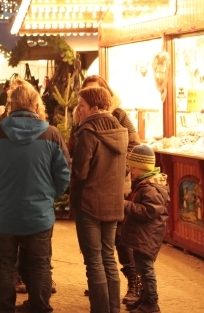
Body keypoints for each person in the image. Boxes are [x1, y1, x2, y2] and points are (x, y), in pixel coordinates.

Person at [0, 84, 70, 313]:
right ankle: (39, 306)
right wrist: (50, 196)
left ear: (10, 106)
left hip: (6, 211)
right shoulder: (51, 134)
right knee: (40, 264)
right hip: (39, 213)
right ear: (36, 105)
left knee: (5, 262)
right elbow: (64, 173)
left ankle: (4, 307)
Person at [81, 75, 142, 305]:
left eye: (95, 90)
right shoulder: (84, 116)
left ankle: (133, 281)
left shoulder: (119, 115)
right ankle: (103, 289)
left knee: (119, 239)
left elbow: (135, 143)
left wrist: (122, 168)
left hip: (116, 185)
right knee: (98, 246)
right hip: (95, 187)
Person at [71, 86, 128, 313]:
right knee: (109, 258)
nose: (79, 110)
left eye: (82, 105)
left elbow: (81, 172)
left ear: (94, 107)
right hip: (113, 204)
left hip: (89, 204)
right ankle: (113, 309)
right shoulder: (121, 131)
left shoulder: (88, 132)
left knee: (93, 261)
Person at [120, 145, 169, 313]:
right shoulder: (143, 184)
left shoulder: (151, 188)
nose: (130, 171)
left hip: (147, 236)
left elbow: (149, 211)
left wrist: (126, 205)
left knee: (146, 270)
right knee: (141, 268)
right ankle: (144, 298)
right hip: (143, 235)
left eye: (133, 167)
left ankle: (151, 303)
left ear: (143, 167)